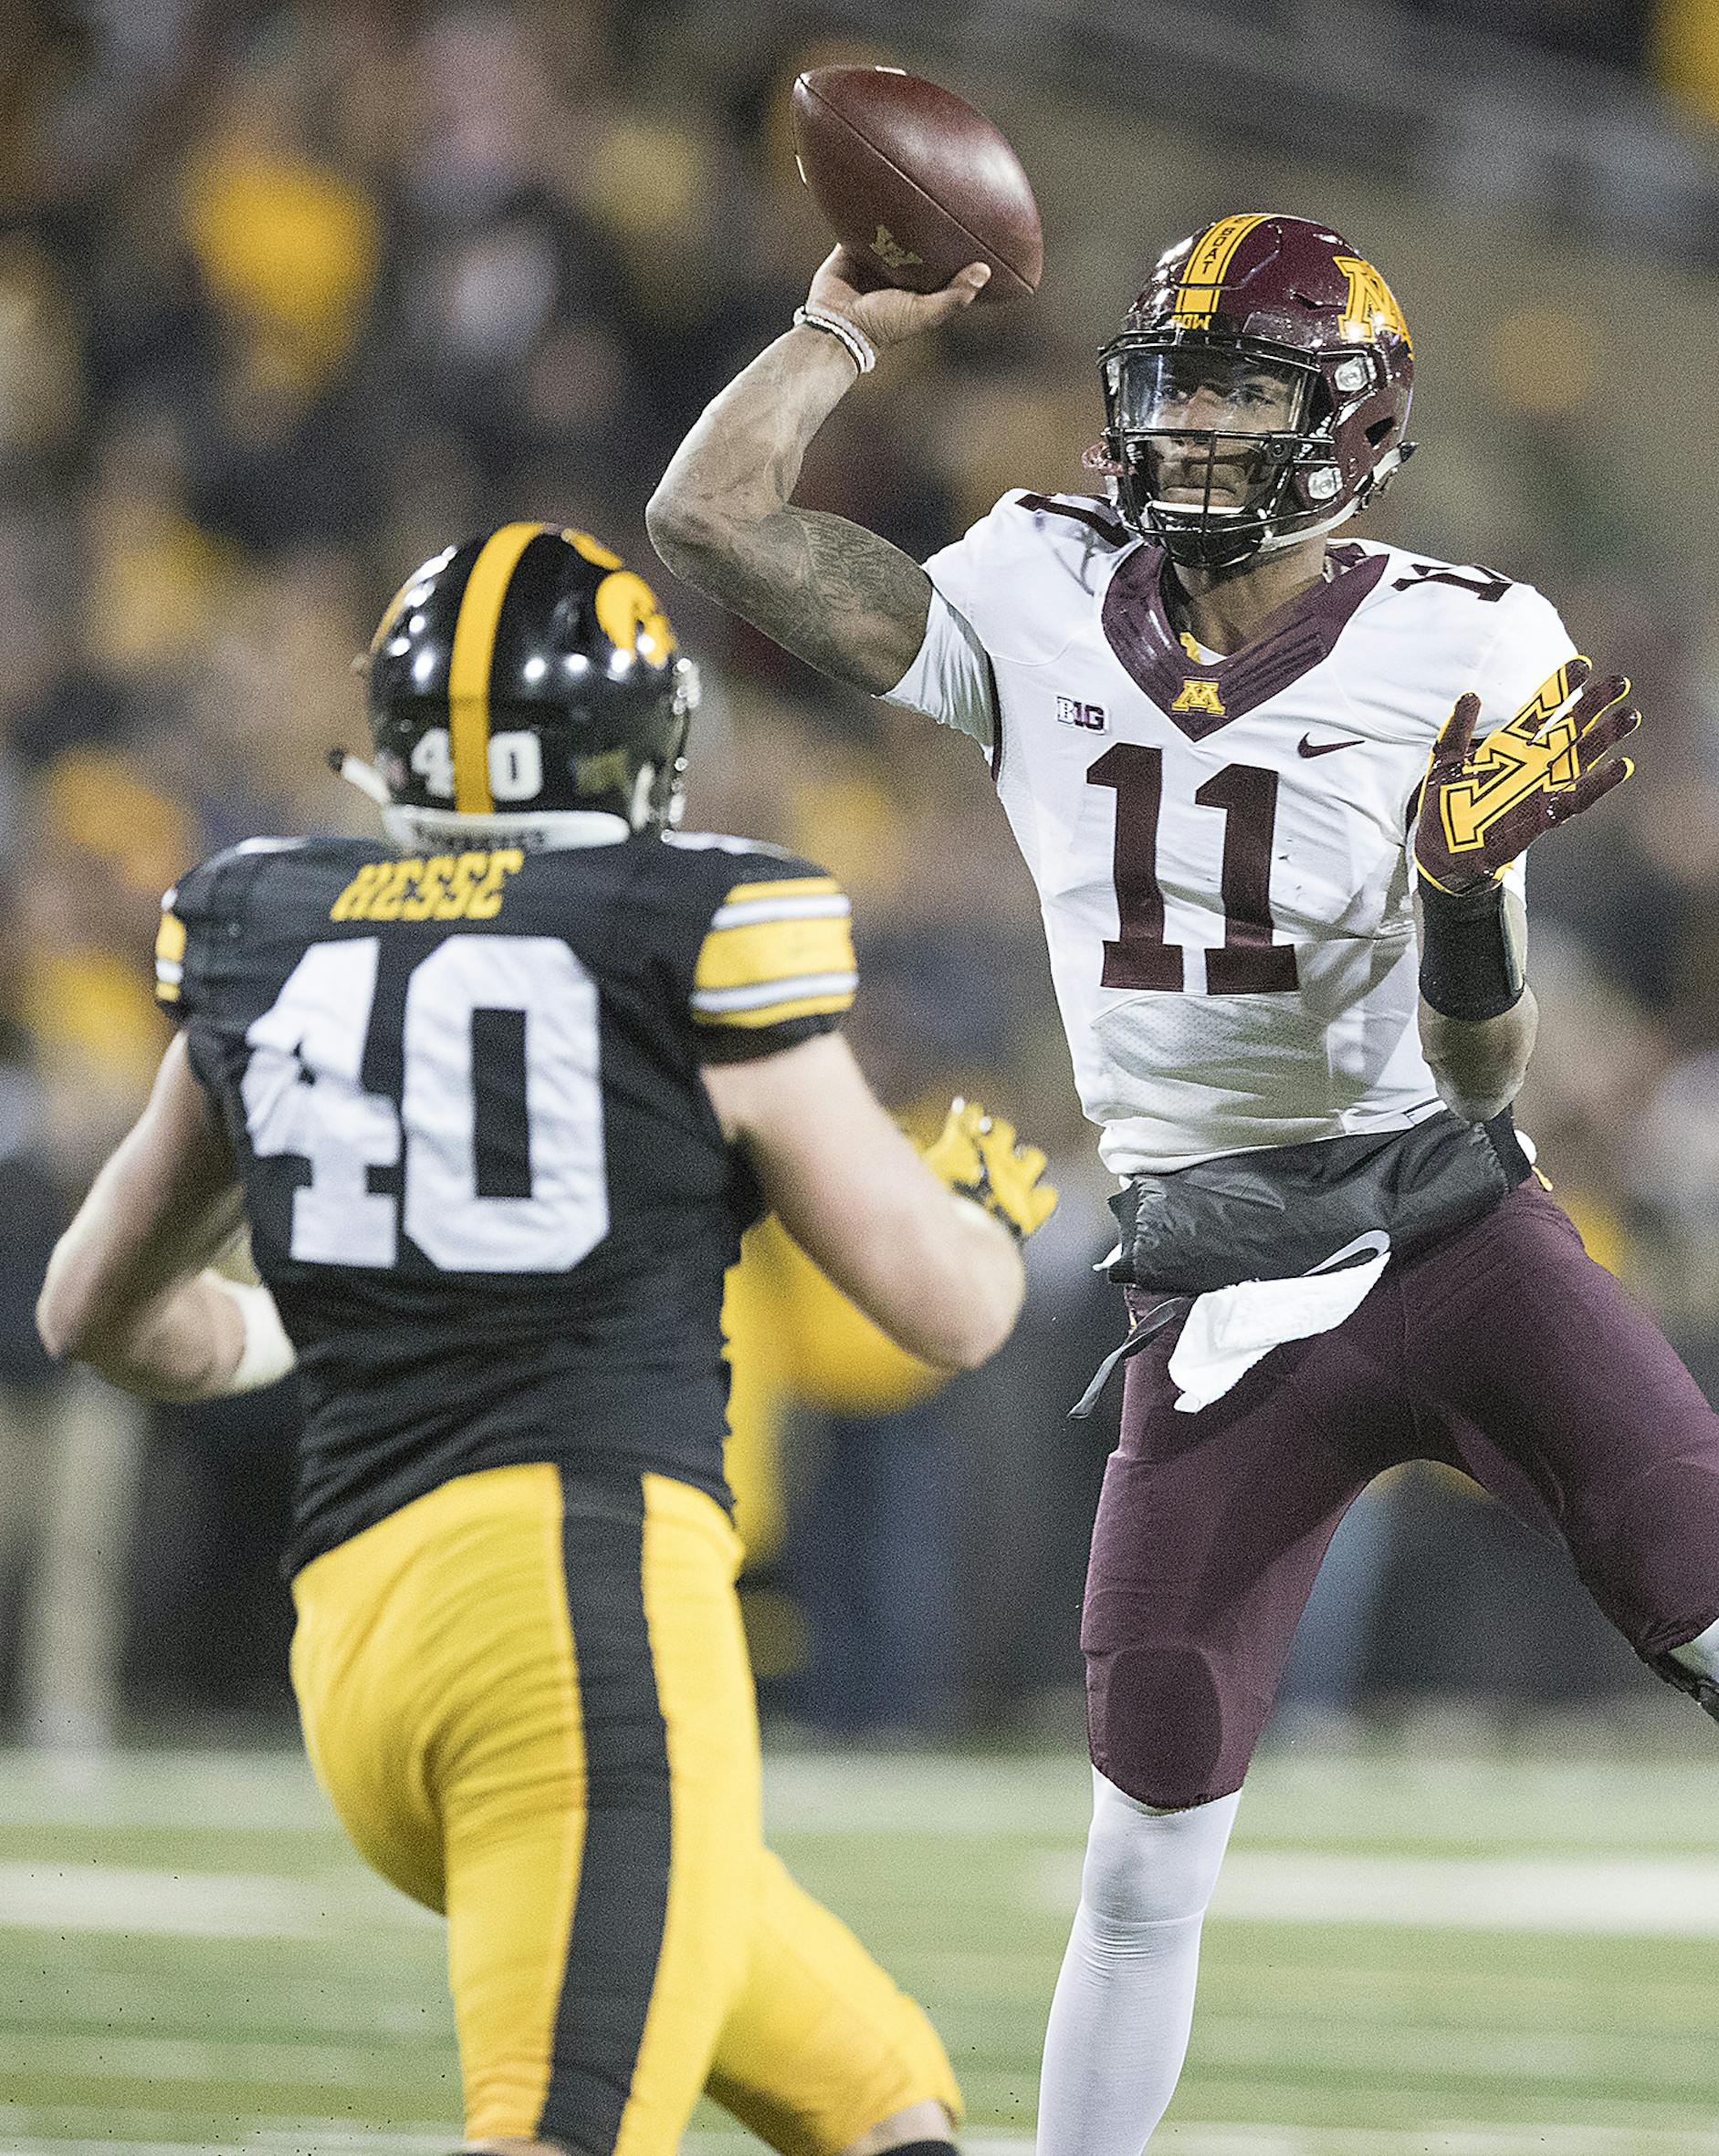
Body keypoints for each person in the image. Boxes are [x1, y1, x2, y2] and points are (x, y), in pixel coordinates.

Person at [645, 215, 1719, 2151]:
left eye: (1242, 394)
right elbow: (710, 518)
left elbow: (1484, 1069)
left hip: (1454, 1233)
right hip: (1208, 1281)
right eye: (1174, 388)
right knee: (1142, 1840)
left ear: (1349, 425)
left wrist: (1460, 893)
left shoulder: (1472, 637)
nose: (1192, 430)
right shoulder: (1034, 583)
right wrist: (832, 330)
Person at [37, 522, 1056, 2156]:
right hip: (573, 1623)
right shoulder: (686, 921)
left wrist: (281, 1333)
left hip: (359, 1646)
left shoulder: (268, 922)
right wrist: (989, 1213)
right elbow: (944, 1308)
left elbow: (92, 1308)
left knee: (883, 2100)